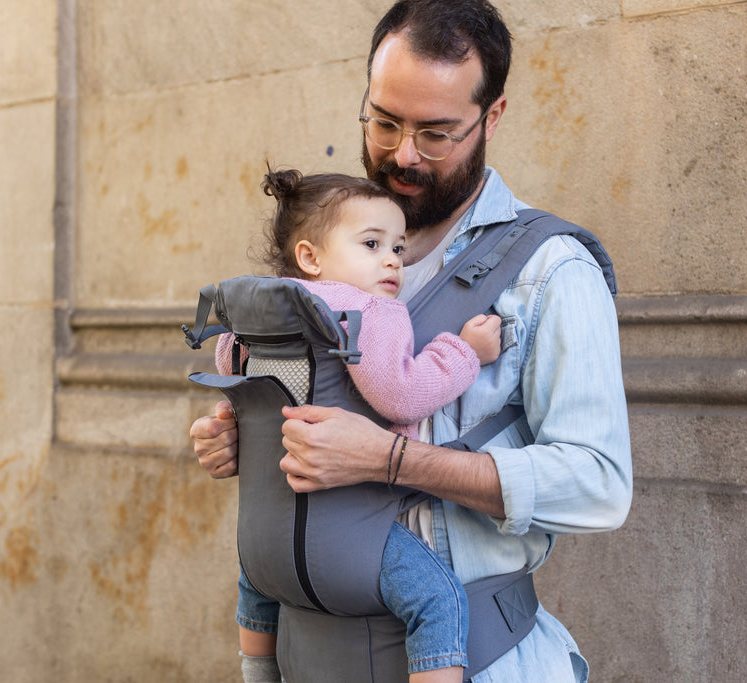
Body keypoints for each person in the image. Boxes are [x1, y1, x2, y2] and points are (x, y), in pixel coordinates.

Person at [190, 1, 632, 681]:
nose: (401, 153)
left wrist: (391, 459)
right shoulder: (334, 249)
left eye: (435, 133)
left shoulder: (551, 270)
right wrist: (246, 437)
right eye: (385, 121)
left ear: (493, 117)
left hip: (480, 660)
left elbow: (600, 485)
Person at [222, 166, 503, 683]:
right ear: (311, 257)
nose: (391, 260)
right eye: (372, 244)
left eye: (397, 247)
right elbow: (403, 396)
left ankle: (257, 671)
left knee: (256, 583)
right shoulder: (370, 312)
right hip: (351, 533)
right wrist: (466, 351)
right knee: (440, 601)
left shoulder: (258, 311)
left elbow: (229, 366)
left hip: (265, 538)